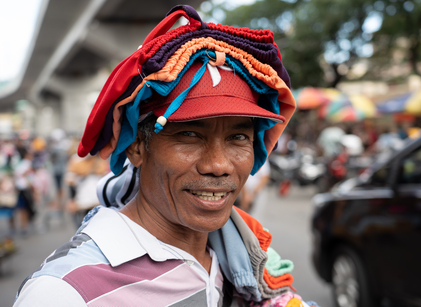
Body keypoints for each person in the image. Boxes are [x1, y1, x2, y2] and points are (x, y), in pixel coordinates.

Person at [13, 5, 317, 307]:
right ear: (136, 147)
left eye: (238, 137)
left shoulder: (248, 258)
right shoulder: (65, 292)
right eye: (189, 135)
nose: (219, 165)